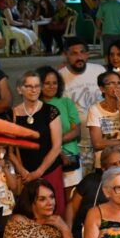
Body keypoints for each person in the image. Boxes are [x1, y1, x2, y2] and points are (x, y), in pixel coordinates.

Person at [10, 71, 65, 215]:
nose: (34, 90)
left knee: (54, 213)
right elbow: (9, 150)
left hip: (49, 170)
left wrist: (39, 172)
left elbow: (56, 146)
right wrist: (22, 171)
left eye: (37, 86)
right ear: (19, 89)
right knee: (29, 214)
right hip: (25, 175)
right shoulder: (12, 115)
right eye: (29, 86)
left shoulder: (51, 111)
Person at [59, 38, 106, 169]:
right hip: (77, 145)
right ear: (65, 55)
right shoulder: (59, 78)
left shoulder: (99, 70)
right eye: (74, 53)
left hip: (104, 139)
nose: (79, 57)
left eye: (82, 52)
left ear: (87, 54)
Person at [38, 66, 84, 195]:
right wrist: (57, 150)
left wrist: (56, 142)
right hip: (47, 160)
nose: (52, 86)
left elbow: (76, 131)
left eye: (54, 83)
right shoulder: (36, 106)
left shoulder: (66, 102)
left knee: (72, 197)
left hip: (70, 157)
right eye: (47, 83)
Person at [86, 70, 120, 177]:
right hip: (105, 161)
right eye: (111, 83)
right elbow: (97, 143)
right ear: (102, 89)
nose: (116, 86)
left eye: (119, 83)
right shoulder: (94, 110)